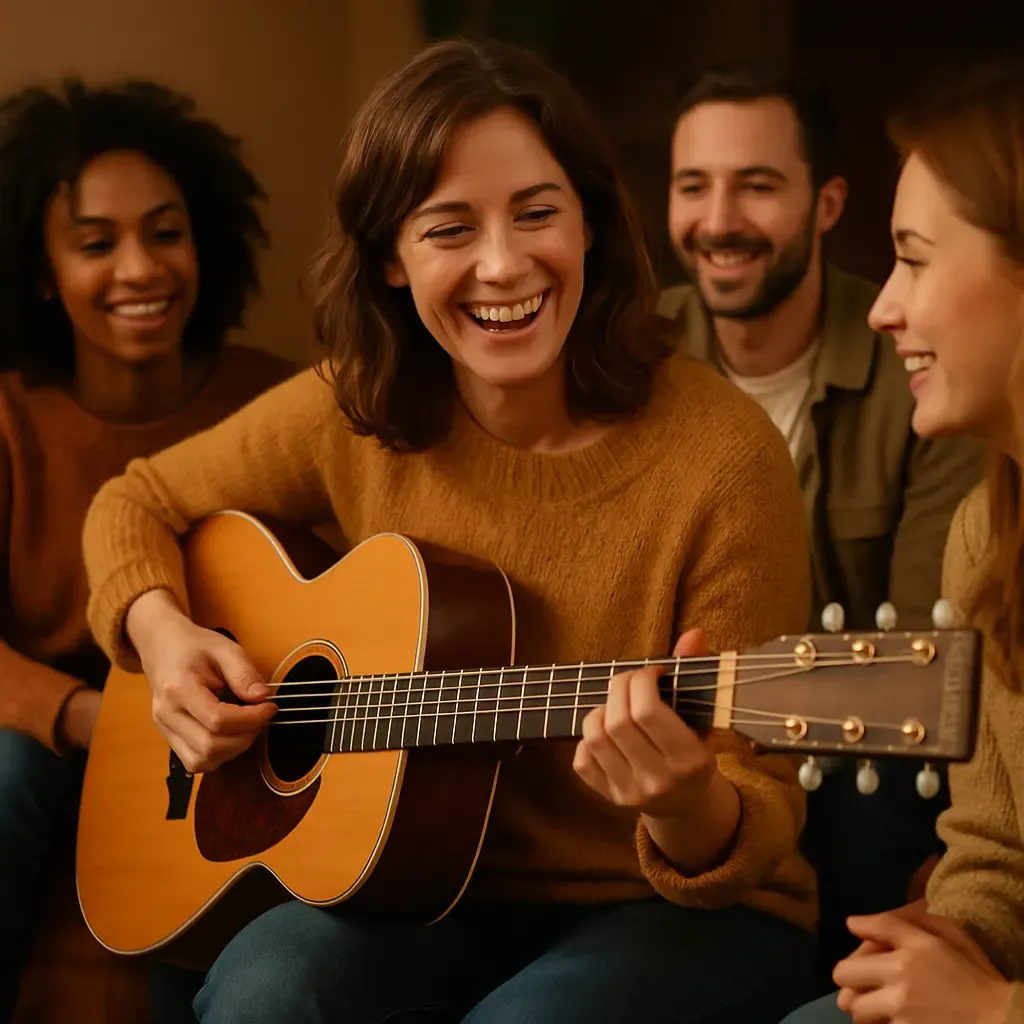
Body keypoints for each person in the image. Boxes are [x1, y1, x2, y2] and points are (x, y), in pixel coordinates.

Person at [81, 38, 819, 1024]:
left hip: (673, 907)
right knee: (269, 989)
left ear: (593, 224)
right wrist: (165, 639)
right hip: (423, 887)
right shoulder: (355, 407)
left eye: (538, 213)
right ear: (391, 257)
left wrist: (684, 800)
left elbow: (755, 811)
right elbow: (133, 501)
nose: (503, 265)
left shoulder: (724, 455)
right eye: (449, 228)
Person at [659, 60, 985, 976]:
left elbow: (927, 663)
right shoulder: (631, 359)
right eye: (693, 186)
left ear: (828, 203)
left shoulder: (923, 368)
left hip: (852, 756)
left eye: (757, 186)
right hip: (668, 742)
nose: (719, 220)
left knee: (871, 813)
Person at [0, 78, 295, 1019]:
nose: (140, 269)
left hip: (224, 741)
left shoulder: (279, 406)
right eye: (96, 244)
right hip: (54, 741)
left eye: (166, 233)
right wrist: (94, 718)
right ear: (42, 271)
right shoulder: (9, 419)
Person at [780, 57, 1024, 1024]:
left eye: (915, 259)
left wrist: (991, 1008)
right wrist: (944, 941)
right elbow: (997, 853)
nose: (883, 306)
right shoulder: (987, 531)